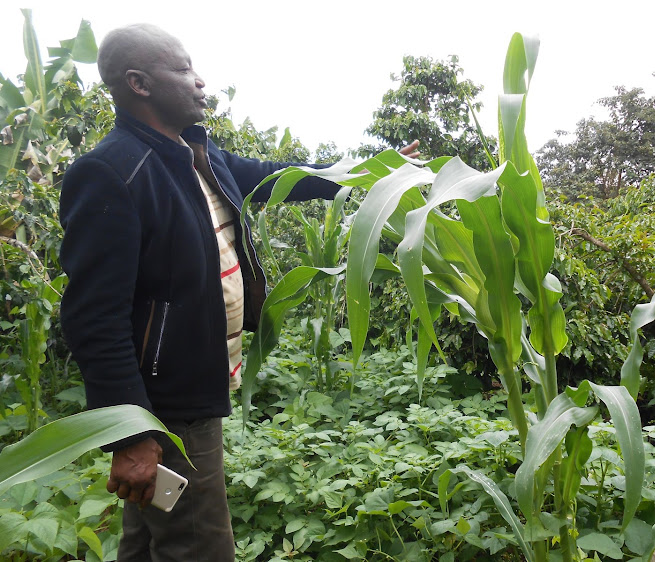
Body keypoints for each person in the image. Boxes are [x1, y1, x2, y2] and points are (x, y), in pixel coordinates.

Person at [59, 23, 419, 562]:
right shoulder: (113, 172)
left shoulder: (195, 152)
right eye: (183, 69)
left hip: (190, 388)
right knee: (199, 545)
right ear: (138, 83)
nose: (200, 81)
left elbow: (282, 176)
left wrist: (372, 171)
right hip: (167, 407)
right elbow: (94, 318)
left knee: (153, 535)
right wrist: (130, 433)